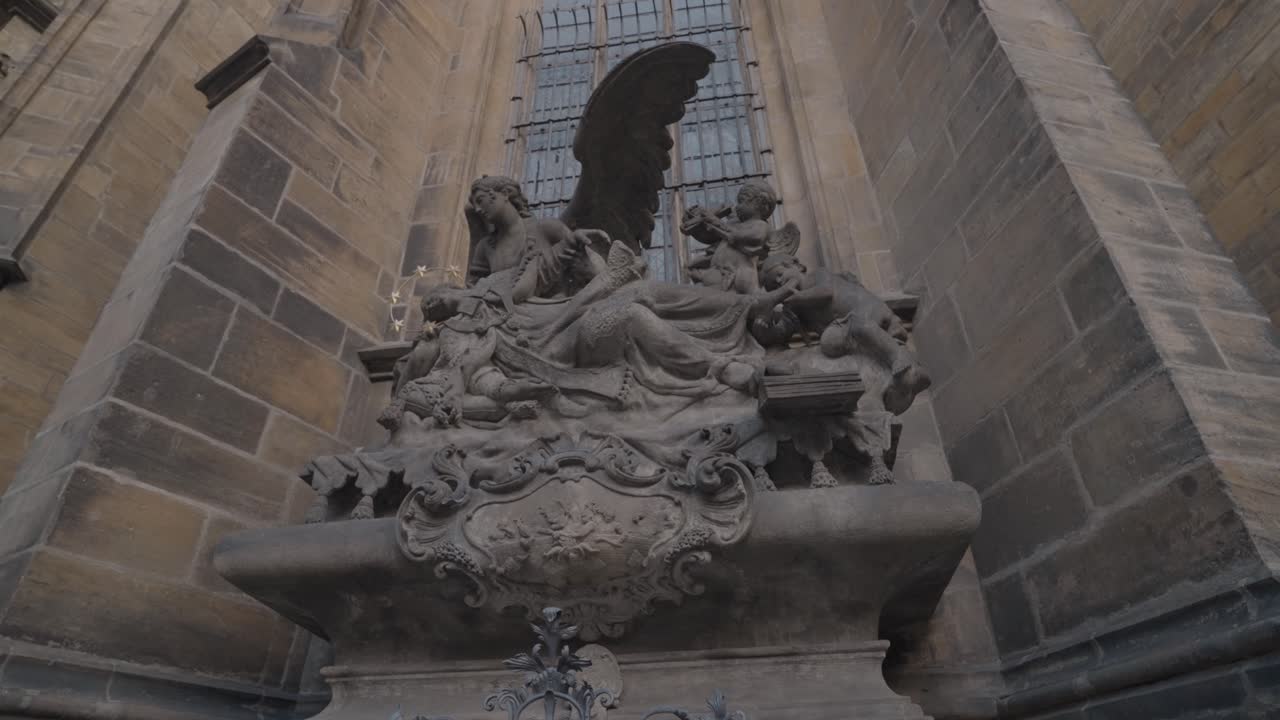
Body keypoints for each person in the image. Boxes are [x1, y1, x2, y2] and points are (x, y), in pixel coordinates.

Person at [759, 253, 930, 414]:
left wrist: (791, 298)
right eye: (775, 285)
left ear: (795, 265)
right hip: (849, 331)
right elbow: (783, 331)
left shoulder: (816, 276)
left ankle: (902, 361)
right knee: (829, 341)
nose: (780, 282)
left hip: (868, 313)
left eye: (780, 274)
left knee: (852, 326)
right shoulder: (797, 310)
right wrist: (766, 322)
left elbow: (826, 292)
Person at [682, 181, 776, 294]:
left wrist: (714, 222)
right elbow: (709, 237)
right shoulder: (734, 224)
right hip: (720, 274)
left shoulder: (760, 225)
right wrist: (696, 223)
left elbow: (746, 236)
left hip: (740, 277)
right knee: (691, 270)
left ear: (758, 203)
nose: (737, 207)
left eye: (742, 201)